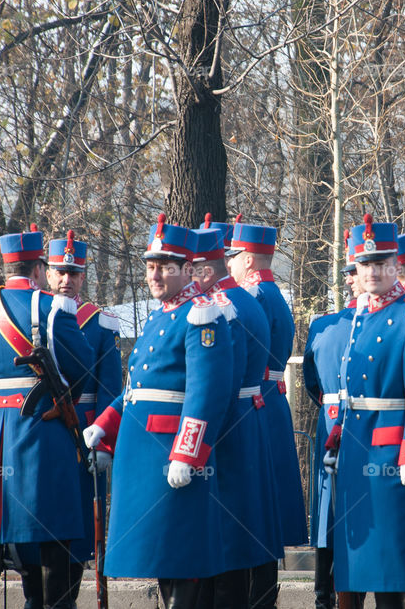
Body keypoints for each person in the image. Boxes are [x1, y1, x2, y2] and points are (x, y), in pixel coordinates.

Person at [83, 214, 235, 607]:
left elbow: (208, 394)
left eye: (164, 268)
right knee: (160, 554)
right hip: (140, 451)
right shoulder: (158, 316)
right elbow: (137, 389)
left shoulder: (202, 314)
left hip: (171, 450)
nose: (154, 275)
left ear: (188, 269)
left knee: (181, 553)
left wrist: (187, 452)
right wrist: (105, 425)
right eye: (150, 267)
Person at [0, 224, 92, 609]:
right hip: (39, 424)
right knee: (50, 522)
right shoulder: (53, 307)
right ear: (39, 268)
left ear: (5, 266)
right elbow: (82, 366)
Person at [327, 213, 405, 609]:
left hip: (397, 454)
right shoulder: (359, 314)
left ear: (397, 264)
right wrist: (336, 441)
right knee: (375, 567)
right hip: (359, 452)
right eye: (365, 264)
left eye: (381, 263)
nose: (373, 271)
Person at [191, 220, 282, 606]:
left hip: (230, 421)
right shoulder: (248, 298)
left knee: (229, 531)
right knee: (247, 524)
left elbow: (220, 379)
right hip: (254, 410)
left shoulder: (227, 305)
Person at [34, 230, 121, 606]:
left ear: (83, 277)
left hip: (80, 430)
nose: (66, 279)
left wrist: (101, 440)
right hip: (39, 427)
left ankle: (66, 597)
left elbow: (109, 388)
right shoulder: (33, 314)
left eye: (74, 273)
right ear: (47, 274)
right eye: (60, 272)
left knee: (79, 522)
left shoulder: (101, 323)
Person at [228, 218, 307, 608]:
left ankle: (256, 596)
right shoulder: (272, 292)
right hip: (270, 399)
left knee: (252, 507)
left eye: (231, 259)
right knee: (265, 507)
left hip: (252, 399)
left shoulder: (252, 295)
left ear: (245, 259)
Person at [302, 231, 361, 609]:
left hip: (332, 418)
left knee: (328, 511)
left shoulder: (323, 326)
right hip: (368, 425)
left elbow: (312, 384)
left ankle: (324, 592)